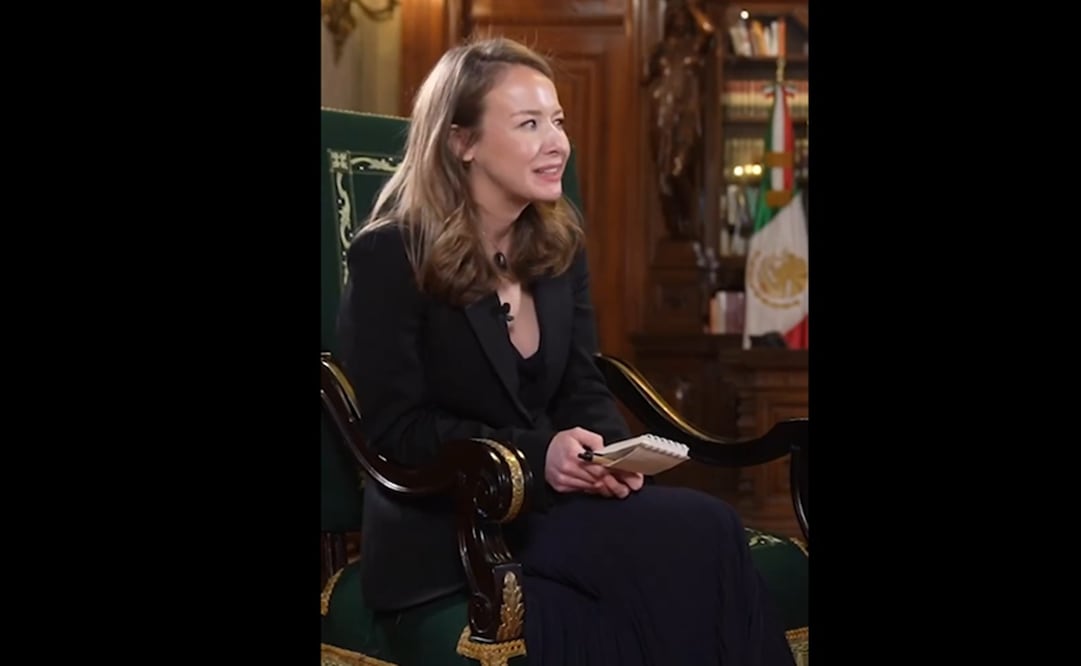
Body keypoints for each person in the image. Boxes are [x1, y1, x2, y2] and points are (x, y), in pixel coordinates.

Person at [337, 36, 795, 666]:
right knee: (682, 545)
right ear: (461, 141)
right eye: (529, 124)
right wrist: (534, 456)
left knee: (704, 526)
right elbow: (394, 431)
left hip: (555, 507)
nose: (558, 142)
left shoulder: (557, 246)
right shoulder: (391, 256)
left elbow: (582, 386)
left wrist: (609, 457)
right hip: (453, 531)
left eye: (557, 120)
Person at [642, 0, 715, 241]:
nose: (679, 20)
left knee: (679, 170)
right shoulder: (662, 50)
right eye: (676, 15)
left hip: (686, 117)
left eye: (684, 16)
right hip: (661, 116)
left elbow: (708, 31)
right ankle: (676, 229)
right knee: (663, 177)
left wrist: (692, 7)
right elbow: (645, 75)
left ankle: (691, 225)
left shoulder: (693, 47)